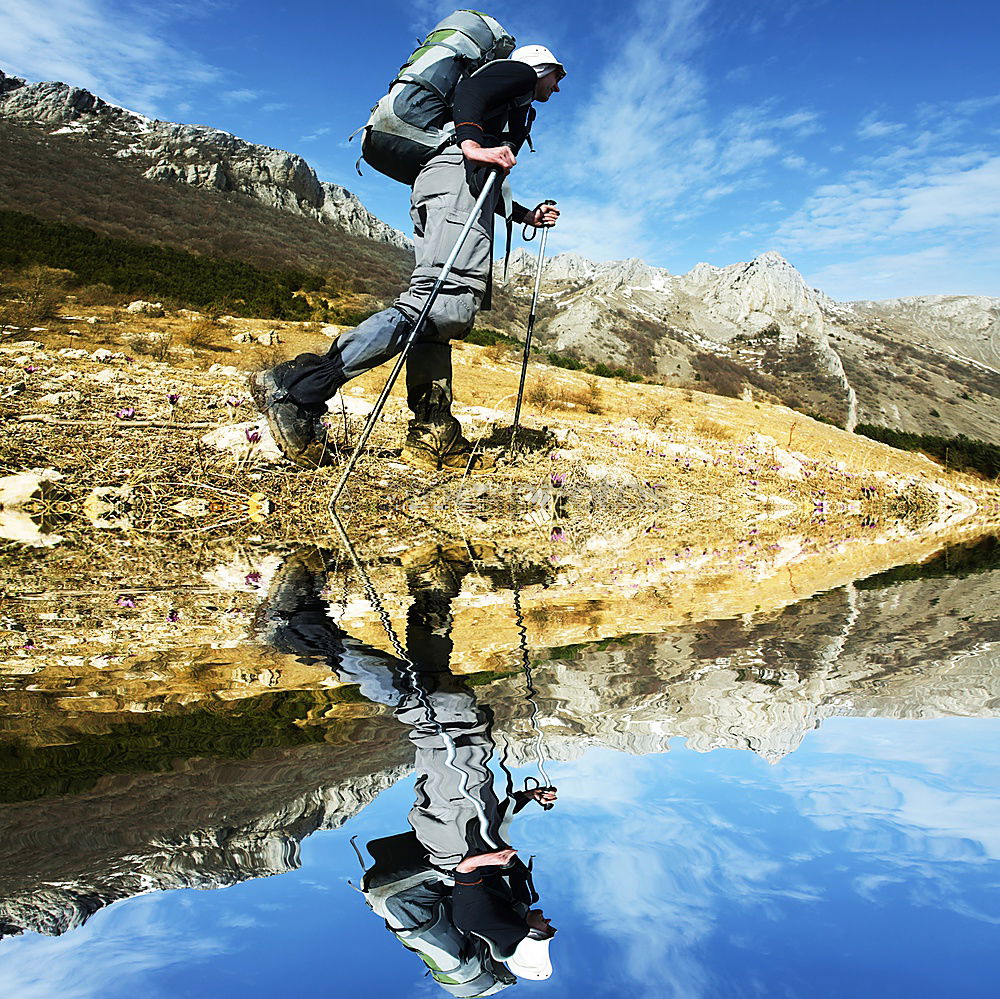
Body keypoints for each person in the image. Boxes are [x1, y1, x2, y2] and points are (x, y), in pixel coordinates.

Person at [255, 544, 558, 993]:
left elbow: (467, 892)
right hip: (474, 819)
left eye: (544, 931)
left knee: (446, 716)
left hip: (454, 833)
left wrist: (480, 863)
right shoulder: (516, 900)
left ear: (525, 938)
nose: (548, 923)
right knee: (448, 699)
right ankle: (431, 595)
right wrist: (525, 800)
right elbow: (501, 833)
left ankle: (303, 631)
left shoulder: (494, 923)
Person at [250, 45, 565, 471]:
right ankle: (299, 387)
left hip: (446, 184)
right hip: (455, 180)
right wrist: (473, 143)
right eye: (556, 76)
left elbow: (482, 182)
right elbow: (471, 93)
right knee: (445, 302)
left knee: (436, 320)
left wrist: (525, 214)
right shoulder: (518, 74)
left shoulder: (511, 105)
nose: (556, 86)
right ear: (541, 67)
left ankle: (434, 434)